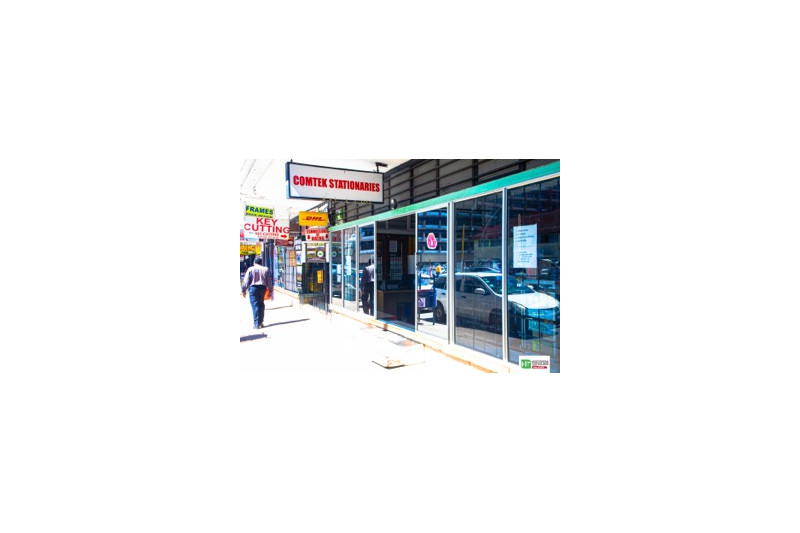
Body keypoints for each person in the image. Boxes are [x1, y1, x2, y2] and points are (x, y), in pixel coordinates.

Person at [241, 256, 273, 329]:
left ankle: (256, 324)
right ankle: (260, 322)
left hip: (253, 288)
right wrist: (270, 290)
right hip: (262, 288)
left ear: (254, 262)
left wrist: (243, 290)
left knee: (255, 305)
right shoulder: (265, 269)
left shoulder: (250, 269)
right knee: (261, 304)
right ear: (261, 262)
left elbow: (246, 281)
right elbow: (269, 281)